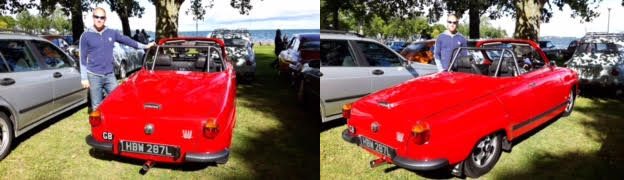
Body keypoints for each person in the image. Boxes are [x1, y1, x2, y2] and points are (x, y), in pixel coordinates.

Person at [79, 7, 154, 110]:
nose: (99, 19)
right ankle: (99, 125)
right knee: (97, 105)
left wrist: (145, 46)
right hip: (94, 75)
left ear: (105, 19)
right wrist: (84, 78)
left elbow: (128, 41)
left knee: (118, 99)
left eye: (102, 17)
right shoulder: (86, 35)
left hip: (110, 74)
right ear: (93, 17)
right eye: (96, 17)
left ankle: (115, 122)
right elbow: (82, 58)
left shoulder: (111, 32)